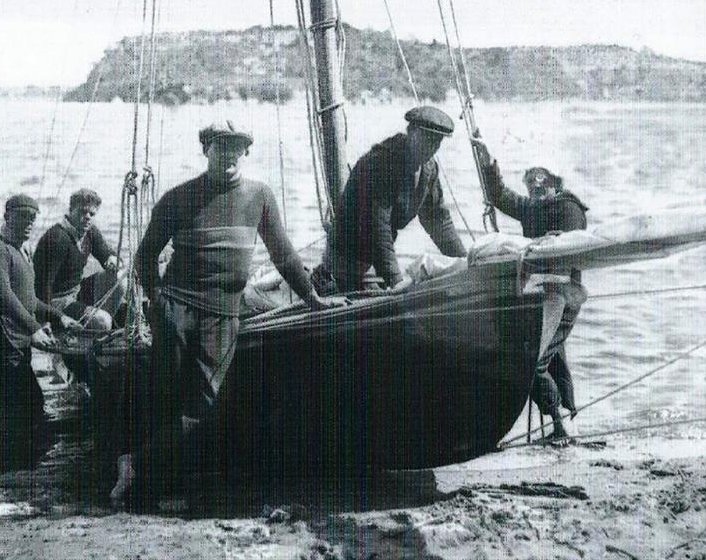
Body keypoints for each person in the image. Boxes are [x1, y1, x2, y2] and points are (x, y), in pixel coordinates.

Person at [115, 121, 344, 506]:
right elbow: (146, 255)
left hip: (223, 314)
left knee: (203, 405)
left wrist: (313, 299)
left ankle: (134, 463)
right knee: (166, 397)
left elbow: (284, 255)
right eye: (221, 148)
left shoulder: (259, 196)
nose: (229, 156)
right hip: (176, 308)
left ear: (246, 154)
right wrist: (157, 303)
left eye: (237, 149)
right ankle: (161, 488)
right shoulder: (179, 197)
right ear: (205, 150)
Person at [472, 137, 589, 439]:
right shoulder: (533, 207)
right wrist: (487, 163)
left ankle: (562, 426)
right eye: (531, 182)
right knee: (554, 362)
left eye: (543, 181)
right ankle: (566, 424)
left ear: (555, 182)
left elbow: (568, 247)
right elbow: (499, 195)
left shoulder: (569, 208)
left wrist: (544, 243)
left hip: (562, 297)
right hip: (542, 297)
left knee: (533, 365)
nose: (536, 187)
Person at [315, 106, 467, 294]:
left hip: (376, 259)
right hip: (347, 260)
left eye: (437, 141)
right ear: (411, 132)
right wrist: (396, 280)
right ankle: (323, 278)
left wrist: (466, 262)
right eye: (427, 138)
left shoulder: (428, 168)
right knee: (377, 309)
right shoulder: (381, 163)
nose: (432, 146)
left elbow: (438, 220)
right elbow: (378, 227)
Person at [0, 194, 80, 426]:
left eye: (32, 218)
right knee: (21, 409)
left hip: (17, 336)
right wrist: (34, 328)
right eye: (22, 216)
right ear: (7, 217)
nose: (29, 222)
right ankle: (10, 458)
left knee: (32, 406)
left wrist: (59, 316)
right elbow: (1, 295)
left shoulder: (22, 252)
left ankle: (16, 455)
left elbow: (29, 300)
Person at [33, 189, 123, 331]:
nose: (87, 217)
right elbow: (42, 286)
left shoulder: (89, 231)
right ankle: (92, 330)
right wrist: (46, 321)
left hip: (76, 291)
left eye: (92, 214)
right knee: (102, 320)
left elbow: (105, 253)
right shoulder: (57, 238)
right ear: (70, 210)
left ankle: (91, 327)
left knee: (119, 279)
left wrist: (111, 259)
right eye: (82, 212)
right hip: (56, 300)